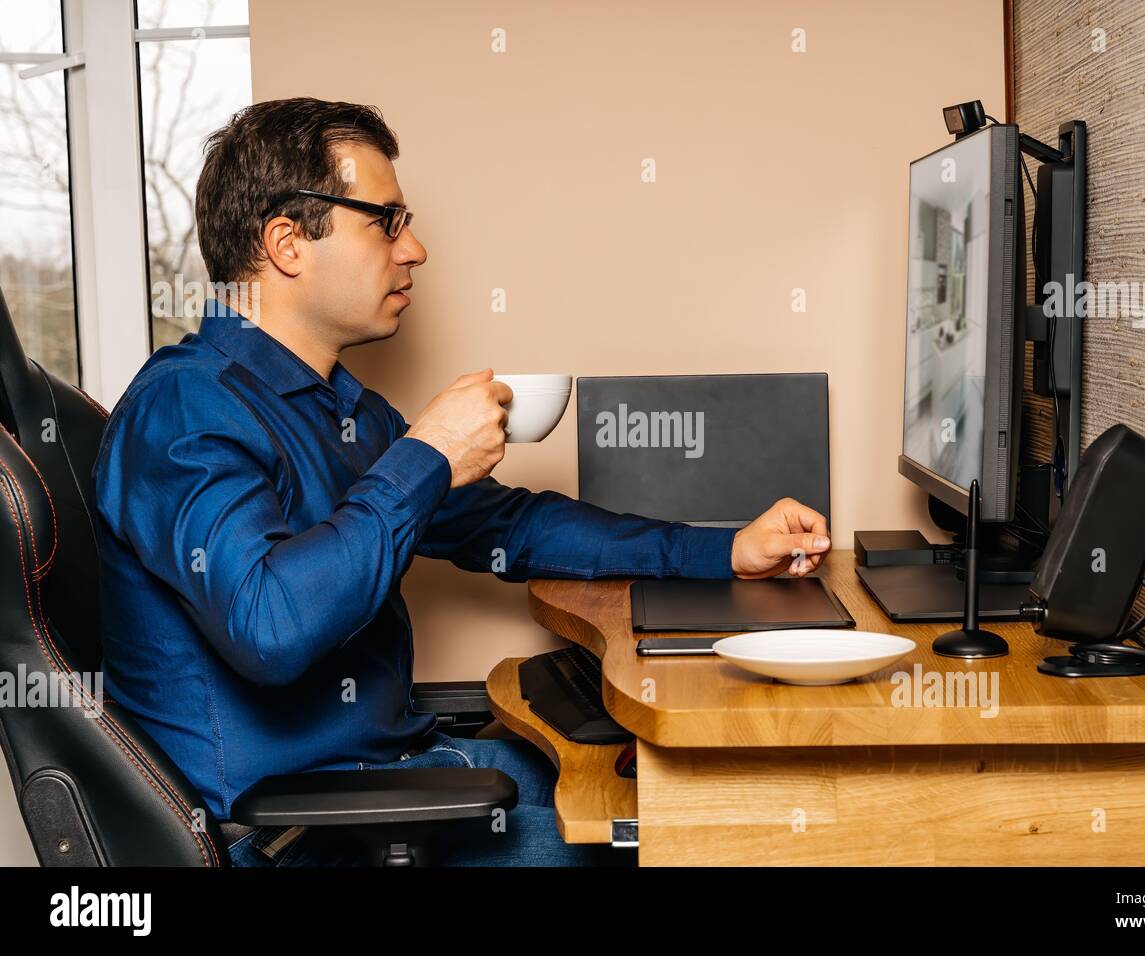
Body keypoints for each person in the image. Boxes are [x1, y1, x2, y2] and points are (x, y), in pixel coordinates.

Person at [93, 97, 831, 866]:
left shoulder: (339, 408)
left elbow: (509, 528)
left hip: (398, 777)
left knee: (696, 807)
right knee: (673, 851)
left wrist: (725, 551)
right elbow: (271, 628)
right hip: (306, 832)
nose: (415, 249)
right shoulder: (183, 409)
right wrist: (429, 453)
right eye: (386, 221)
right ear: (287, 243)